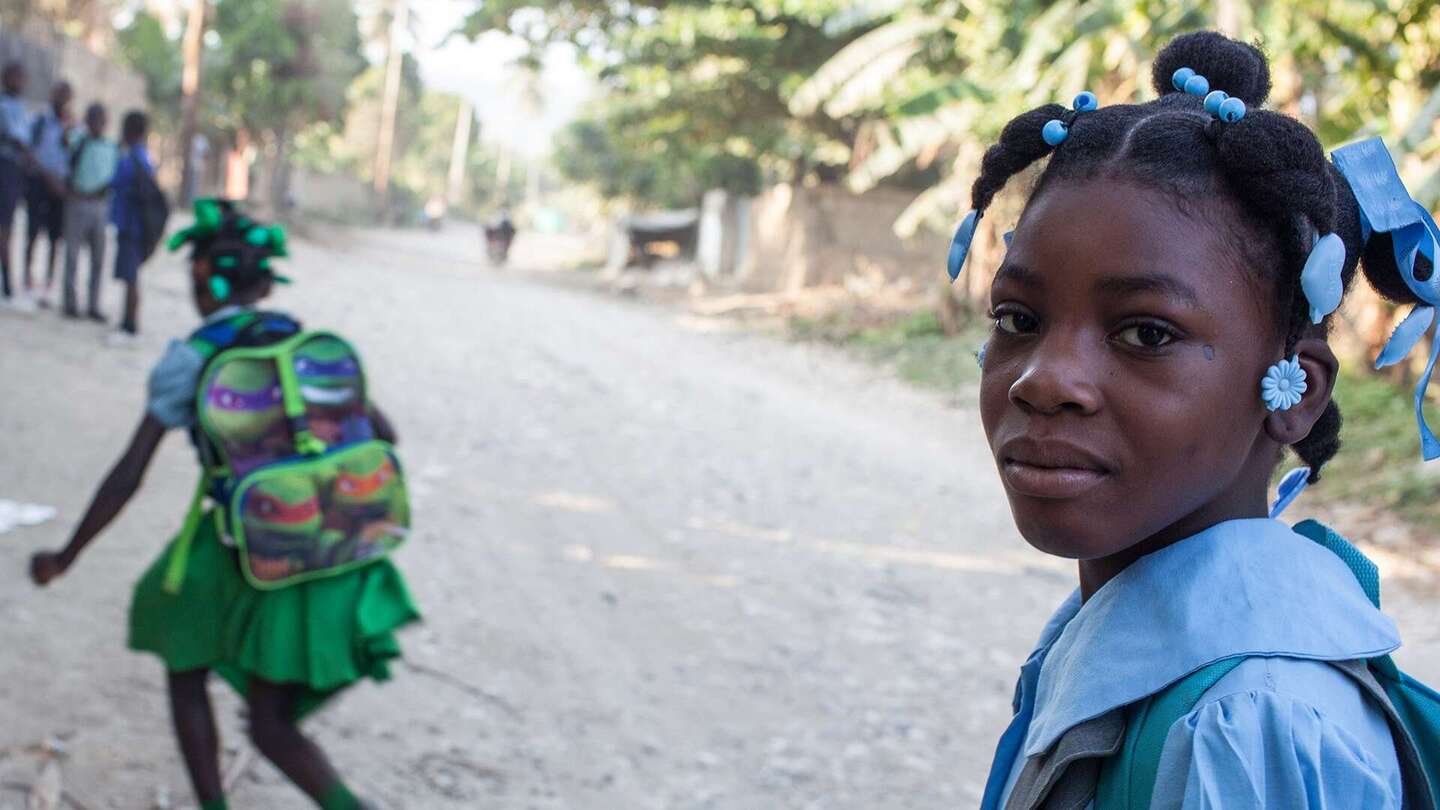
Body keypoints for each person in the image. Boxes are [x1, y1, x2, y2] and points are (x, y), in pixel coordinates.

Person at [965, 32, 1433, 808]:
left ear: (1295, 392)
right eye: (1018, 318)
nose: (1045, 380)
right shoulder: (1131, 645)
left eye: (1146, 333)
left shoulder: (1247, 723)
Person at [30, 199, 418, 810]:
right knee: (270, 725)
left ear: (200, 278)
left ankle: (214, 804)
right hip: (322, 541)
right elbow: (385, 435)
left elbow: (129, 473)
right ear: (265, 282)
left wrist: (68, 553)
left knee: (182, 652)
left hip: (246, 542)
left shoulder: (189, 361)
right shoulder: (299, 340)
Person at [61, 102, 117, 322]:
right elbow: (65, 141)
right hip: (78, 202)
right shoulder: (79, 140)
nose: (98, 124)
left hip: (100, 206)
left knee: (98, 259)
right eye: (94, 119)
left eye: (101, 119)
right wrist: (69, 125)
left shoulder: (111, 147)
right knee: (72, 256)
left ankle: (93, 304)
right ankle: (70, 303)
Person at [24, 80, 73, 309]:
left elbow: (73, 156)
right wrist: (47, 177)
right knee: (32, 233)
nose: (62, 98)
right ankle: (27, 281)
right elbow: (30, 152)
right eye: (59, 93)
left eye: (66, 94)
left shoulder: (71, 125)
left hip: (60, 189)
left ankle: (48, 285)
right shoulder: (40, 121)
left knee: (55, 239)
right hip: (40, 184)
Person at [108, 110, 155, 342]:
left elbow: (114, 183)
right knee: (131, 277)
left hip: (131, 227)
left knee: (131, 277)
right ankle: (127, 322)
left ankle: (130, 325)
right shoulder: (145, 158)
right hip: (135, 227)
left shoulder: (131, 160)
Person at [0, 61, 31, 309]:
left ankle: (8, 285)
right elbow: (18, 139)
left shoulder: (20, 107)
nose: (20, 83)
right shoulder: (3, 106)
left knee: (7, 230)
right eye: (15, 77)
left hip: (13, 171)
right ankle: (7, 286)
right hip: (5, 168)